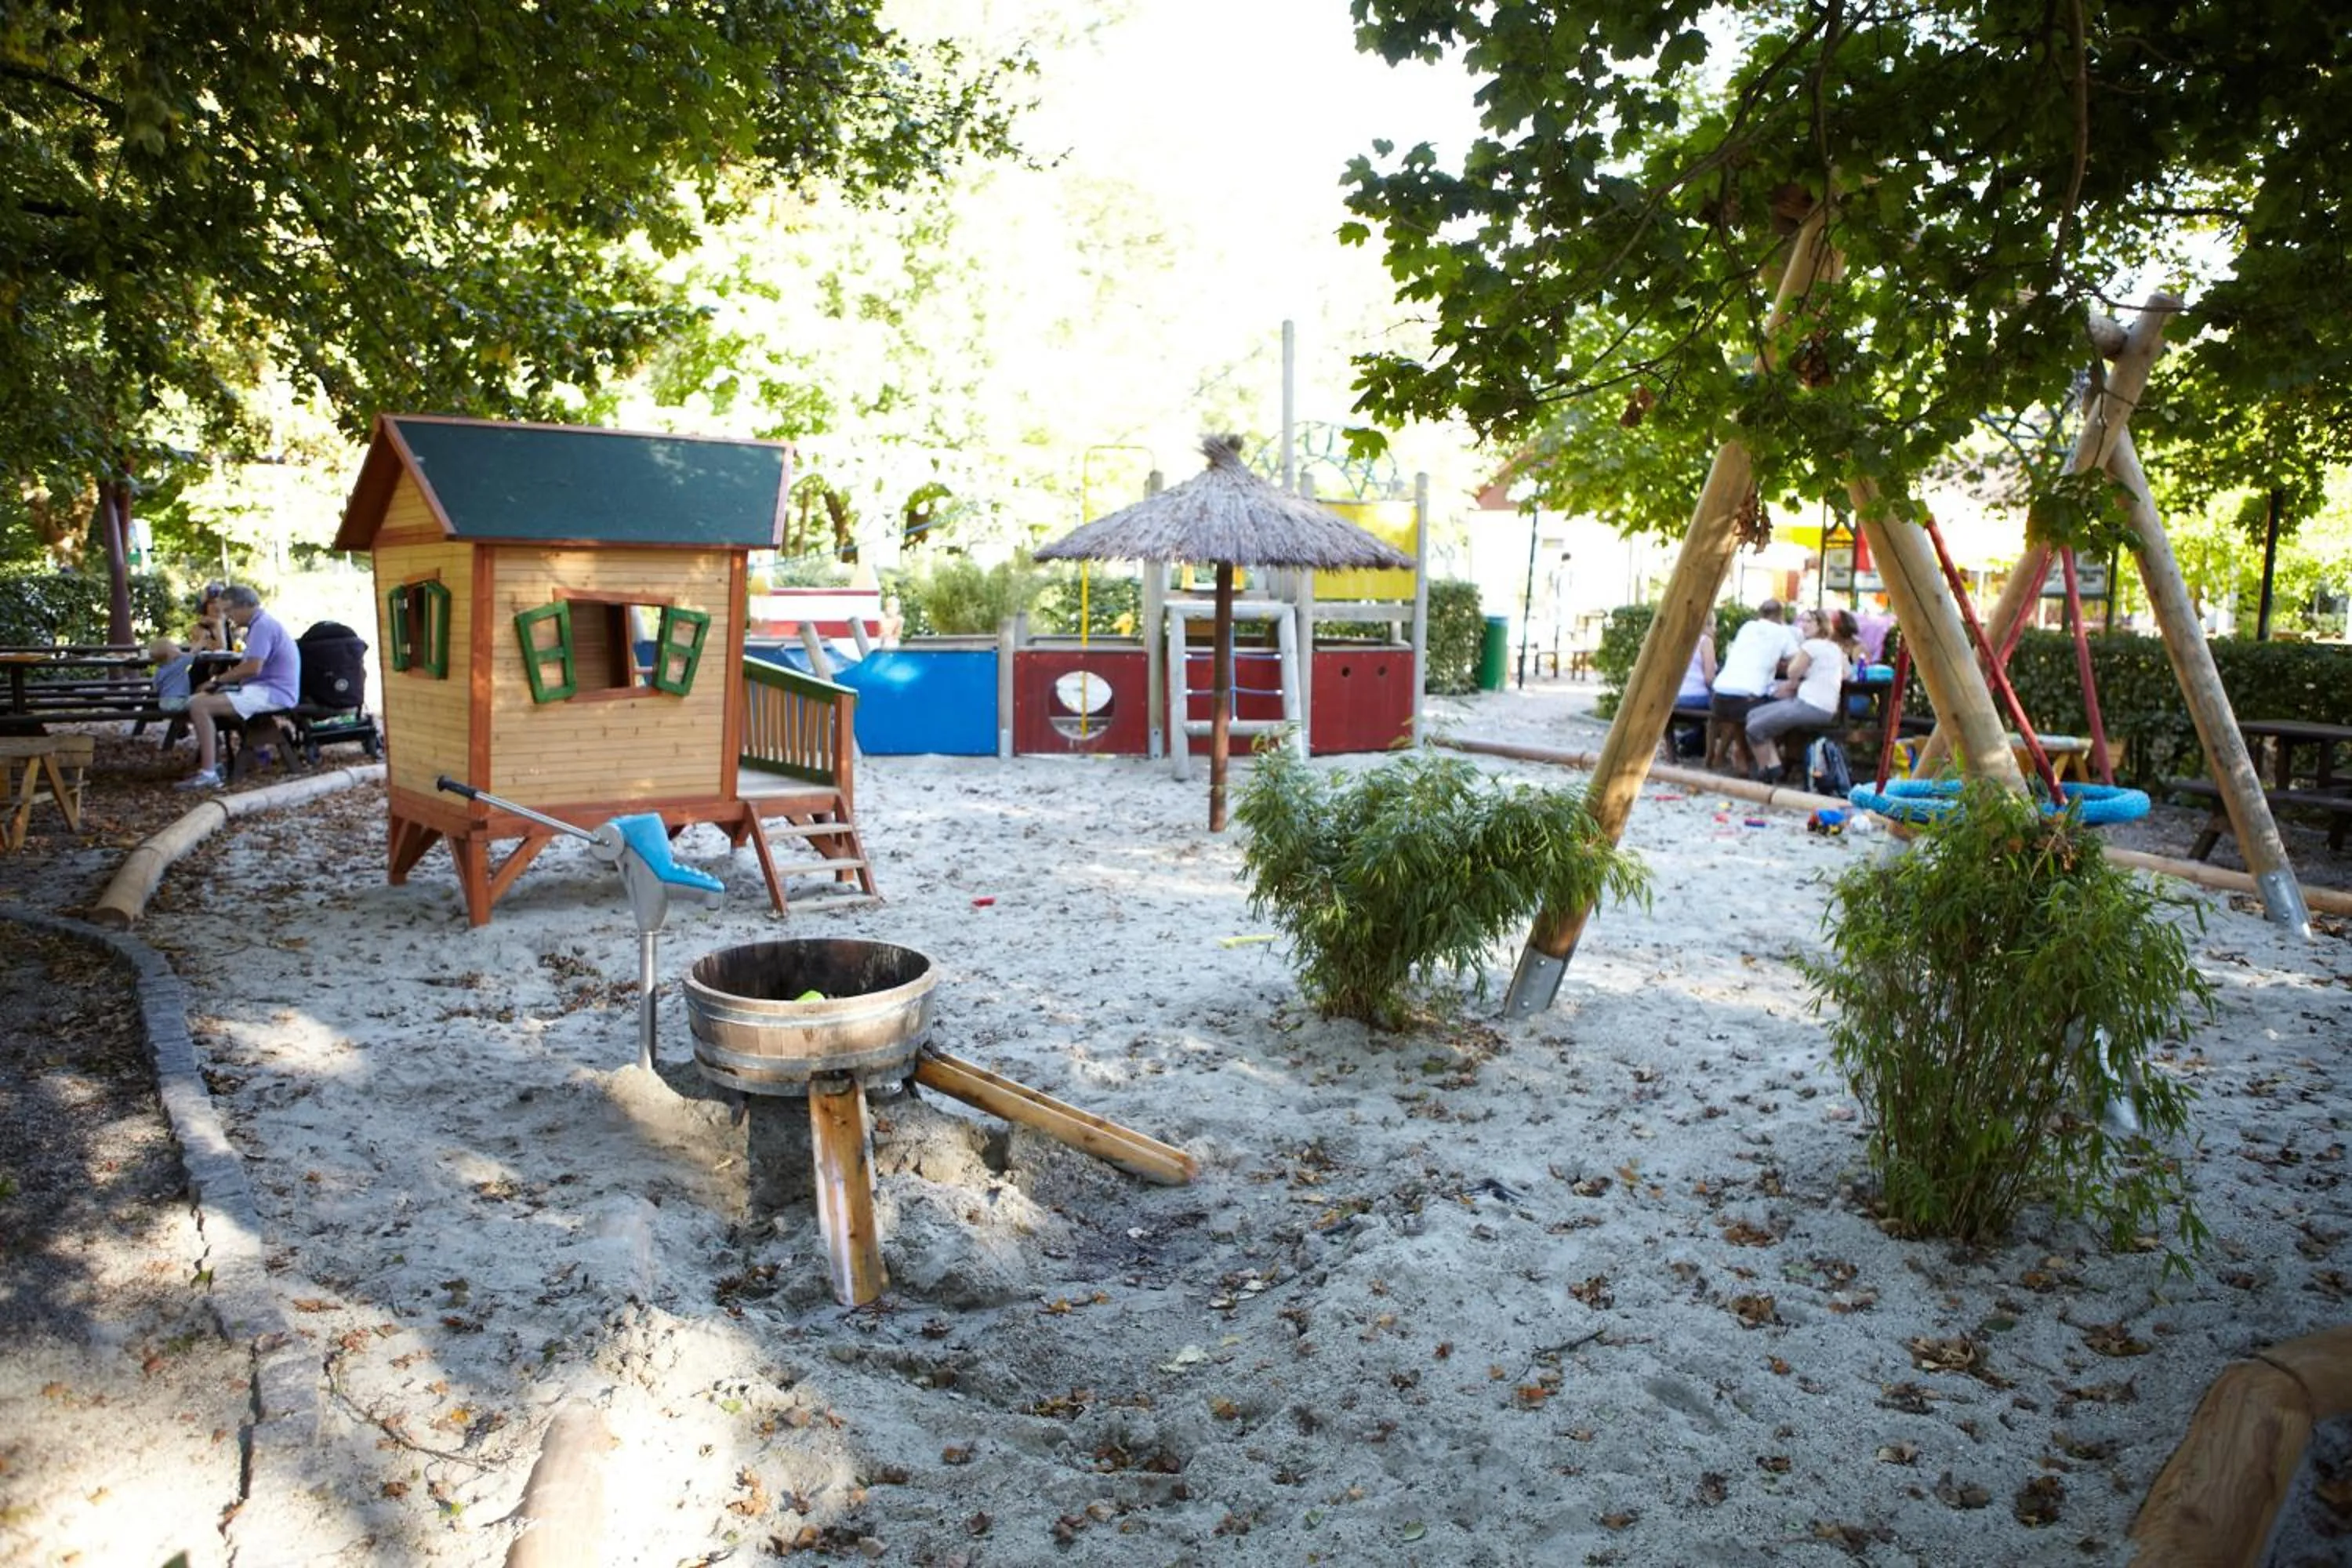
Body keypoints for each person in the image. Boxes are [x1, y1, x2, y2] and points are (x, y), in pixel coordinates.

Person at [176, 586, 299, 790]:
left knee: (199, 706)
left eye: (228, 610)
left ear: (243, 606)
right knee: (198, 699)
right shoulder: (260, 624)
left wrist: (218, 681)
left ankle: (209, 774)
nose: (227, 616)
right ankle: (212, 763)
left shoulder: (262, 627)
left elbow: (253, 667)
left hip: (273, 693)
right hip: (264, 689)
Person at [1744, 606, 1851, 781]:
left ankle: (1769, 769)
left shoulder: (1810, 646)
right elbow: (1847, 674)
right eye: (1802, 620)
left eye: (1809, 621)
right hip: (1824, 706)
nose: (1804, 625)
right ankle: (1773, 767)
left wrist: (1796, 669)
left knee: (1755, 727)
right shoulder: (1834, 648)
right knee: (1754, 715)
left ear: (1821, 625)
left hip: (1810, 705)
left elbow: (1792, 672)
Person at [1709, 597, 1800, 770]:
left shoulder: (1747, 627)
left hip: (1719, 697)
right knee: (1786, 710)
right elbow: (1797, 661)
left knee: (1743, 710)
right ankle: (1768, 761)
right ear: (1781, 616)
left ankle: (1742, 752)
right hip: (1746, 700)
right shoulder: (1782, 632)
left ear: (1760, 613)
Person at [1670, 625, 1716, 759]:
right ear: (1709, 625)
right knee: (1726, 707)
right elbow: (1709, 678)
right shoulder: (1705, 641)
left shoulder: (1678, 639)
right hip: (1697, 697)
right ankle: (1714, 756)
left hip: (1675, 698)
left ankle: (1678, 750)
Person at [147, 637, 197, 712]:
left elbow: (155, 688)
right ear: (172, 653)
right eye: (175, 647)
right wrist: (203, 640)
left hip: (164, 703)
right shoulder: (180, 664)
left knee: (181, 716)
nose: (178, 648)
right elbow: (194, 653)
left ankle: (180, 724)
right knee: (200, 701)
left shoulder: (159, 671)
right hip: (179, 701)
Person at [189, 581, 235, 654]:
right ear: (205, 607)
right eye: (212, 602)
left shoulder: (231, 626)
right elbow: (221, 651)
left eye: (220, 602)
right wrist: (217, 624)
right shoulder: (199, 629)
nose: (217, 606)